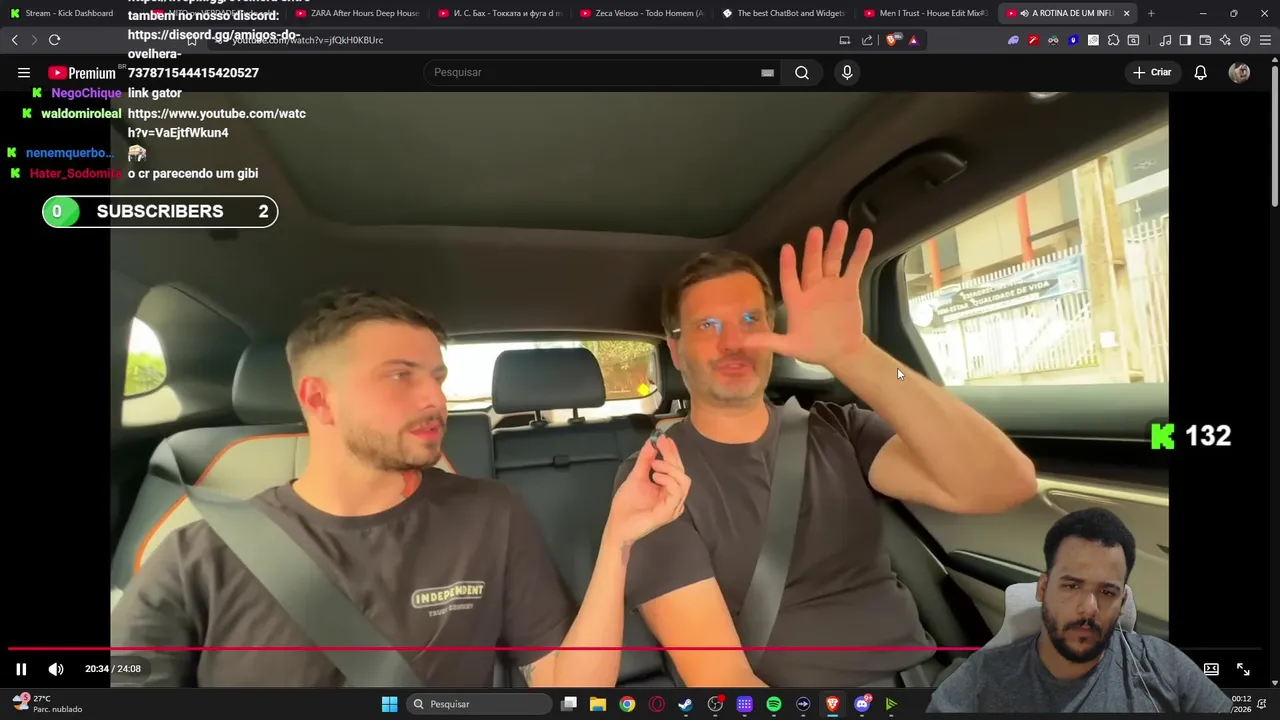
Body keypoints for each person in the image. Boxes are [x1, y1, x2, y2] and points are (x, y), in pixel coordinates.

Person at [112, 289, 692, 687]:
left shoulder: (489, 515)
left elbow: (566, 687)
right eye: (399, 375)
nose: (433, 398)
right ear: (318, 398)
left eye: (437, 377)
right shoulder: (199, 557)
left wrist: (618, 540)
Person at [616, 220, 1038, 688]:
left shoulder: (841, 429)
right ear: (676, 351)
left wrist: (856, 354)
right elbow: (724, 682)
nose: (733, 341)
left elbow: (1006, 482)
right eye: (707, 325)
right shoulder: (656, 479)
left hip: (931, 683)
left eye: (750, 320)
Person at [927, 508, 1231, 713]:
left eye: (1107, 592)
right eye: (1072, 586)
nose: (1089, 609)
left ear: (1122, 601)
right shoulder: (981, 681)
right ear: (1043, 588)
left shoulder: (1162, 665)